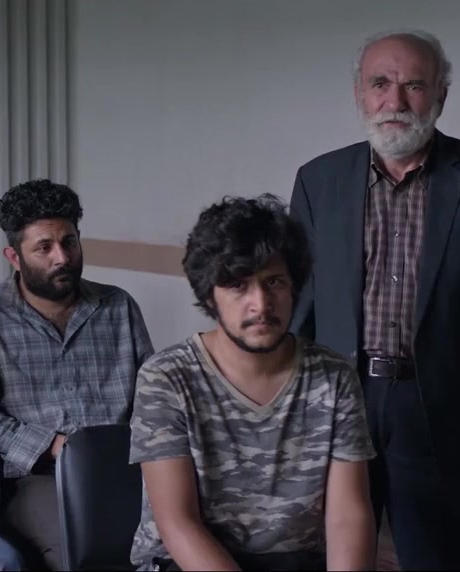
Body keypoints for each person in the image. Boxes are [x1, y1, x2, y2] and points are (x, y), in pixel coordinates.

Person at [289, 29, 460, 569]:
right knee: (328, 557)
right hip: (340, 403)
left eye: (414, 85)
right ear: (359, 94)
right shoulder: (318, 181)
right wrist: (286, 415)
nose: (396, 101)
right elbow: (299, 313)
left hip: (443, 415)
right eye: (380, 84)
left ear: (440, 96)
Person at [130, 195, 376, 571]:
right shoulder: (166, 378)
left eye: (273, 281)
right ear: (209, 297)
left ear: (294, 287)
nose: (260, 304)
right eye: (237, 286)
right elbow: (179, 524)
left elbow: (348, 516)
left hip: (298, 561)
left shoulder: (334, 377)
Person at [0, 179, 154, 570]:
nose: (62, 257)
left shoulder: (117, 306)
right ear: (14, 256)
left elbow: (153, 397)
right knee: (89, 550)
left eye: (69, 242)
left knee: (176, 542)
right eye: (44, 247)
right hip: (39, 478)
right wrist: (56, 446)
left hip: (128, 470)